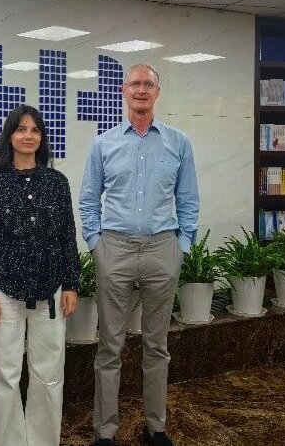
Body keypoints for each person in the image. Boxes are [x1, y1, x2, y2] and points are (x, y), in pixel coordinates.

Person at [79, 64, 199, 446]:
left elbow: (189, 200)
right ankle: (105, 432)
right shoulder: (104, 144)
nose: (142, 90)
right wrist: (96, 244)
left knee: (157, 345)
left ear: (157, 92)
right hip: (113, 248)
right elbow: (88, 200)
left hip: (163, 248)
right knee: (109, 345)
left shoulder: (178, 142)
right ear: (123, 91)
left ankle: (155, 427)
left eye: (148, 84)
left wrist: (183, 244)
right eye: (135, 84)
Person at [0, 104, 81, 446]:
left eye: (35, 130)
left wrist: (72, 283)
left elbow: (67, 236)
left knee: (49, 373)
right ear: (9, 136)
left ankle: (44, 440)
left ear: (42, 138)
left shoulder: (57, 182)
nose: (28, 136)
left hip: (50, 290)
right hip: (4, 291)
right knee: (5, 373)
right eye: (21, 129)